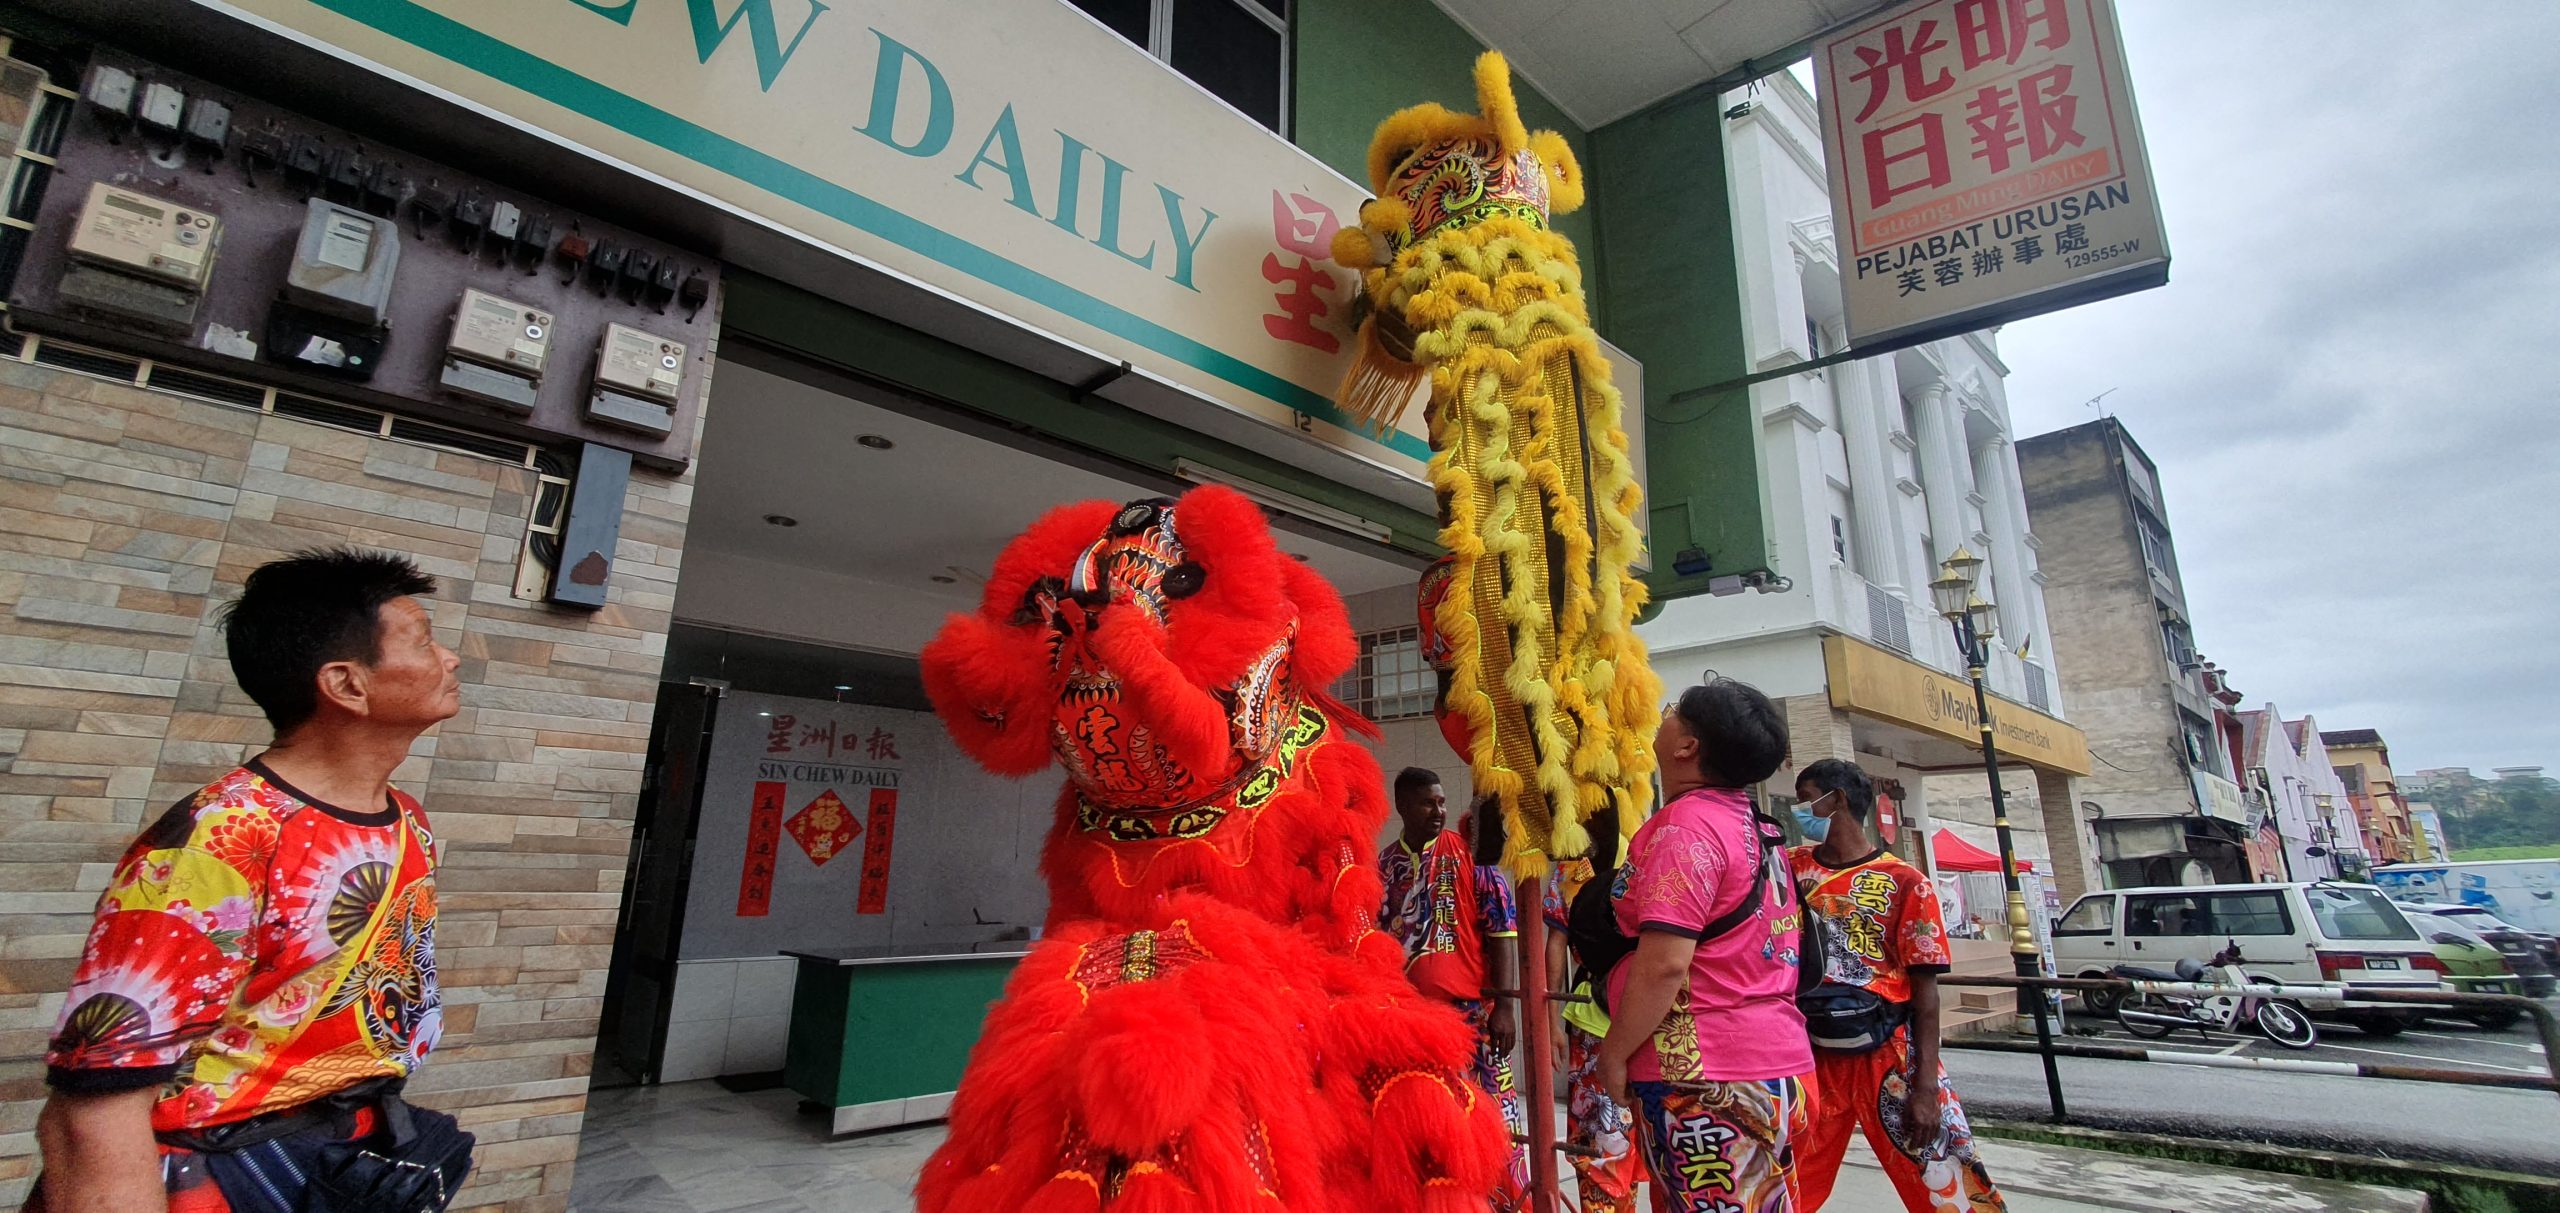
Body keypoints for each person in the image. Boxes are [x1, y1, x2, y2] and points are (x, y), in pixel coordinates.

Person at [33, 549, 468, 1213]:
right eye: (424, 641)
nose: (450, 659)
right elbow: (94, 1110)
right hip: (218, 1180)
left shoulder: (408, 820)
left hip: (339, 1162)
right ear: (347, 684)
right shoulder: (219, 840)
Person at [1596, 678, 1813, 1213]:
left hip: (1705, 1076)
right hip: (1774, 1063)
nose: (1662, 717)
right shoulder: (1752, 825)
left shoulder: (1686, 829)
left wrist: (1615, 1051)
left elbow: (1666, 965)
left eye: (1672, 712)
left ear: (1686, 747)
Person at [1787, 758, 2004, 1212]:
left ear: (1837, 801)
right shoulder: (1790, 869)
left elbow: (1926, 993)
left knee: (1942, 1177)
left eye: (1805, 799)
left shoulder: (1908, 883)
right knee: (1786, 1181)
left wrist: (1925, 1090)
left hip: (1889, 1053)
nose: (1798, 810)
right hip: (1810, 1051)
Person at [1378, 770, 1526, 1210]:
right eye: (1427, 803)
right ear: (1403, 806)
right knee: (1427, 1121)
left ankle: (1506, 1202)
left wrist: (1504, 1007)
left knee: (1492, 1117)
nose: (1439, 811)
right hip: (1409, 1021)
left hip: (1473, 1017)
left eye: (1442, 802)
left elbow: (1502, 930)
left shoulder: (1469, 854)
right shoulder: (1384, 865)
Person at [1541, 839, 1642, 1213]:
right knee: (1610, 1139)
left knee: (1620, 1139)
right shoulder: (1574, 865)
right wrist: (1552, 1020)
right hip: (1601, 1013)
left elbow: (1556, 943)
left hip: (1634, 1011)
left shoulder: (1639, 851)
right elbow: (1556, 943)